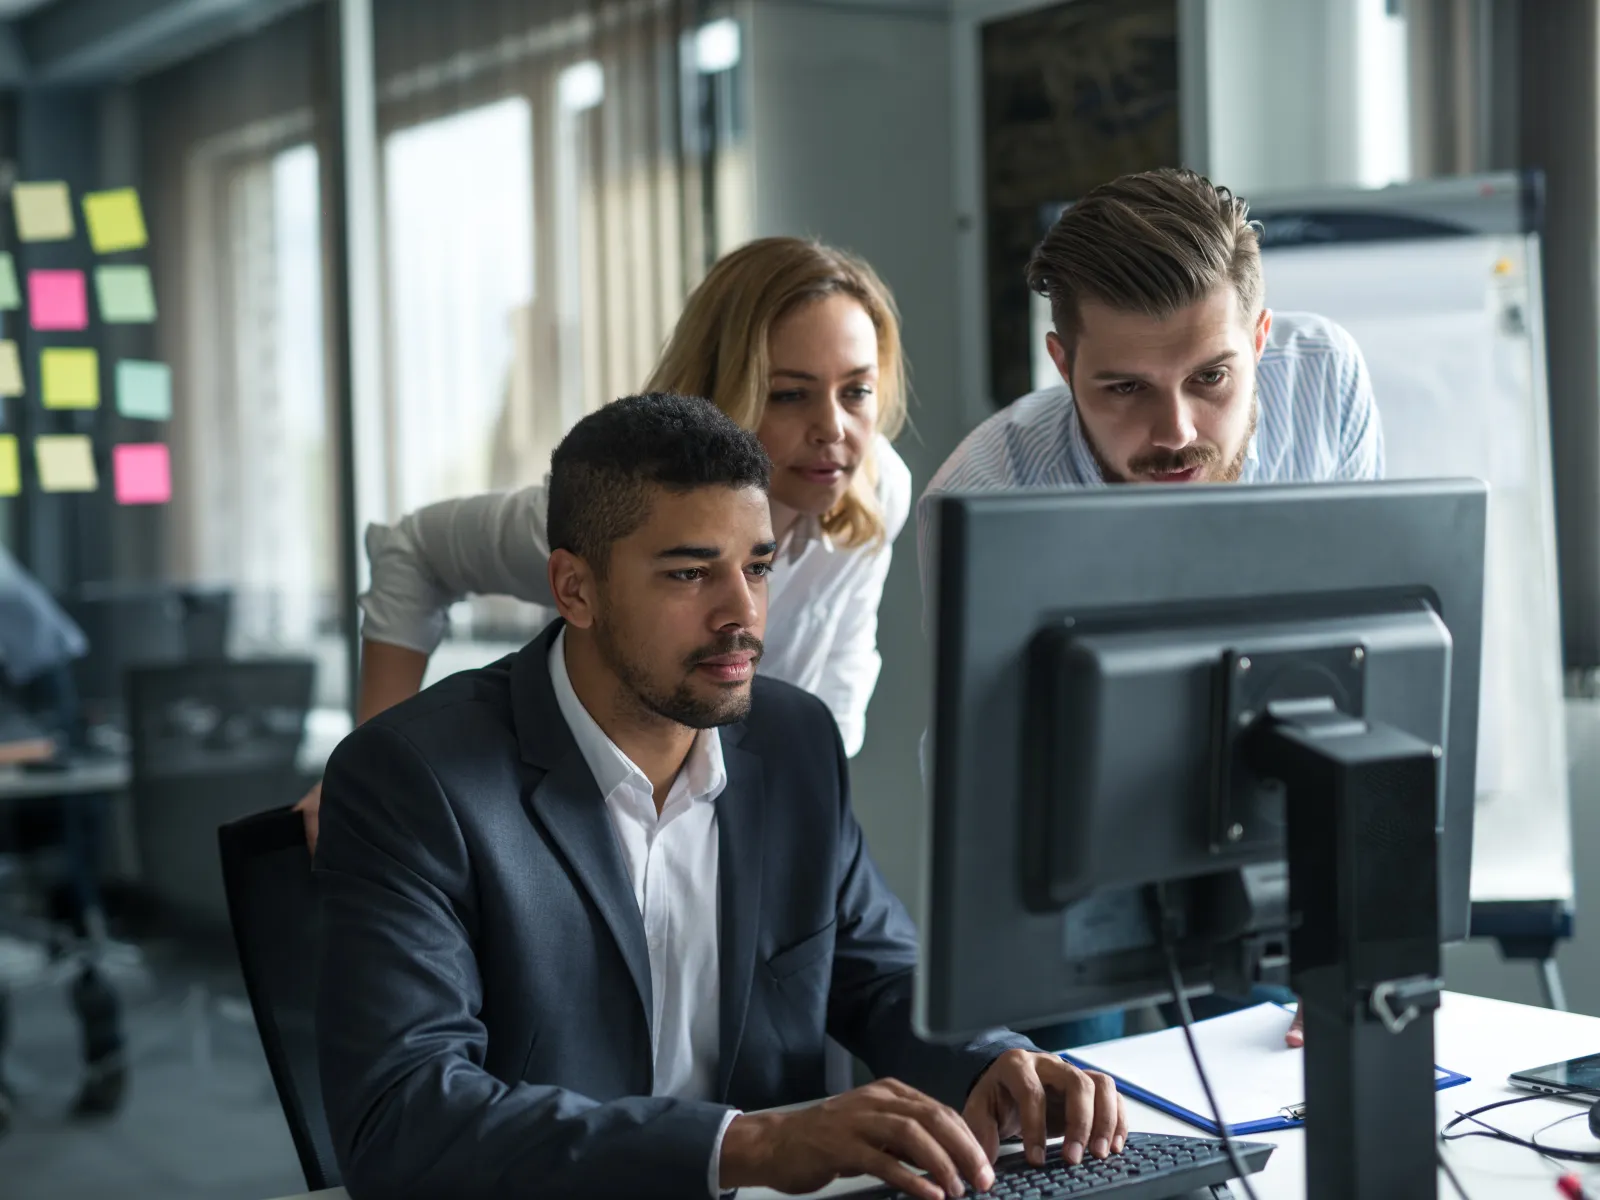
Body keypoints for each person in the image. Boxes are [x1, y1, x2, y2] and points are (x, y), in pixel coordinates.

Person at [314, 393, 1125, 1200]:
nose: (742, 614)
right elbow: (403, 1119)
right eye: (690, 573)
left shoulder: (792, 740)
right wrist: (746, 1145)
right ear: (575, 589)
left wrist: (992, 1059)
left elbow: (877, 970)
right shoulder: (413, 780)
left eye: (758, 568)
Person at [921, 167, 1383, 1051]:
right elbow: (982, 774)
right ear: (1064, 364)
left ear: (1259, 337)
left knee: (1281, 1128)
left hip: (1267, 810)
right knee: (1077, 1133)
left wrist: (1343, 936)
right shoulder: (985, 495)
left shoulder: (1326, 386)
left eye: (1212, 377)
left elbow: (1355, 665)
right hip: (1060, 855)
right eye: (1125, 389)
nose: (1175, 430)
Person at [295, 237, 912, 850]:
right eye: (790, 394)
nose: (833, 429)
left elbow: (830, 706)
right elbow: (416, 549)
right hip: (586, 821)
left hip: (737, 833)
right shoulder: (618, 511)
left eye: (856, 391)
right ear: (729, 387)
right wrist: (365, 769)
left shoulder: (876, 490)